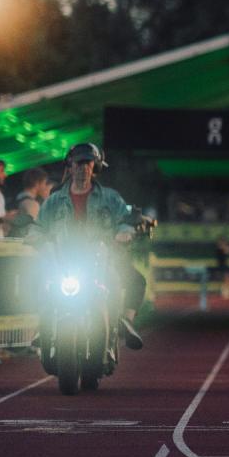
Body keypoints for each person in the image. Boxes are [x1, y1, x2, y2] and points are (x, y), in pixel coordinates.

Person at [33, 143, 147, 352]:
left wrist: (124, 232)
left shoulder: (110, 198)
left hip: (103, 258)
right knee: (40, 280)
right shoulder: (54, 200)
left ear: (96, 166)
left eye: (88, 163)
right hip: (64, 260)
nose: (83, 168)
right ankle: (44, 325)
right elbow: (38, 226)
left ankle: (125, 321)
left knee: (135, 280)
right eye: (79, 163)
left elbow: (125, 219)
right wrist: (35, 237)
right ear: (70, 166)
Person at [6, 167, 52, 238]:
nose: (45, 187)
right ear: (37, 183)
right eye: (44, 183)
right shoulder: (32, 204)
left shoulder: (16, 199)